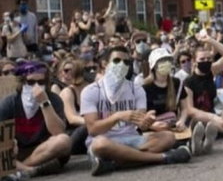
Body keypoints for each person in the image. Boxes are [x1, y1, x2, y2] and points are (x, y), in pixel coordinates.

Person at [80, 46, 191, 176]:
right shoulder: (91, 91)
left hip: (133, 140)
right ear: (105, 64)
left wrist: (147, 122)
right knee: (99, 144)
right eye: (116, 61)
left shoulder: (136, 89)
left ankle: (115, 163)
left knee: (168, 137)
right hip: (106, 141)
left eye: (126, 62)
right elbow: (93, 129)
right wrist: (118, 116)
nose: (122, 65)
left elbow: (141, 125)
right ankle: (162, 157)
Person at [0, 62, 71, 178]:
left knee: (64, 141)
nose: (36, 87)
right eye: (31, 82)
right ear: (23, 82)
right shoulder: (10, 103)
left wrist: (44, 102)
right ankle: (32, 170)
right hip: (17, 152)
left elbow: (58, 132)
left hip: (43, 151)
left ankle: (19, 169)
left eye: (41, 82)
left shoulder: (54, 99)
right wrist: (11, 143)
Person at [60, 59, 94, 155]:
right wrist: (94, 122)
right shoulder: (67, 92)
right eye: (66, 70)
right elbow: (72, 118)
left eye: (72, 70)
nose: (69, 73)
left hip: (92, 131)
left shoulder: (92, 88)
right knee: (86, 128)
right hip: (74, 134)